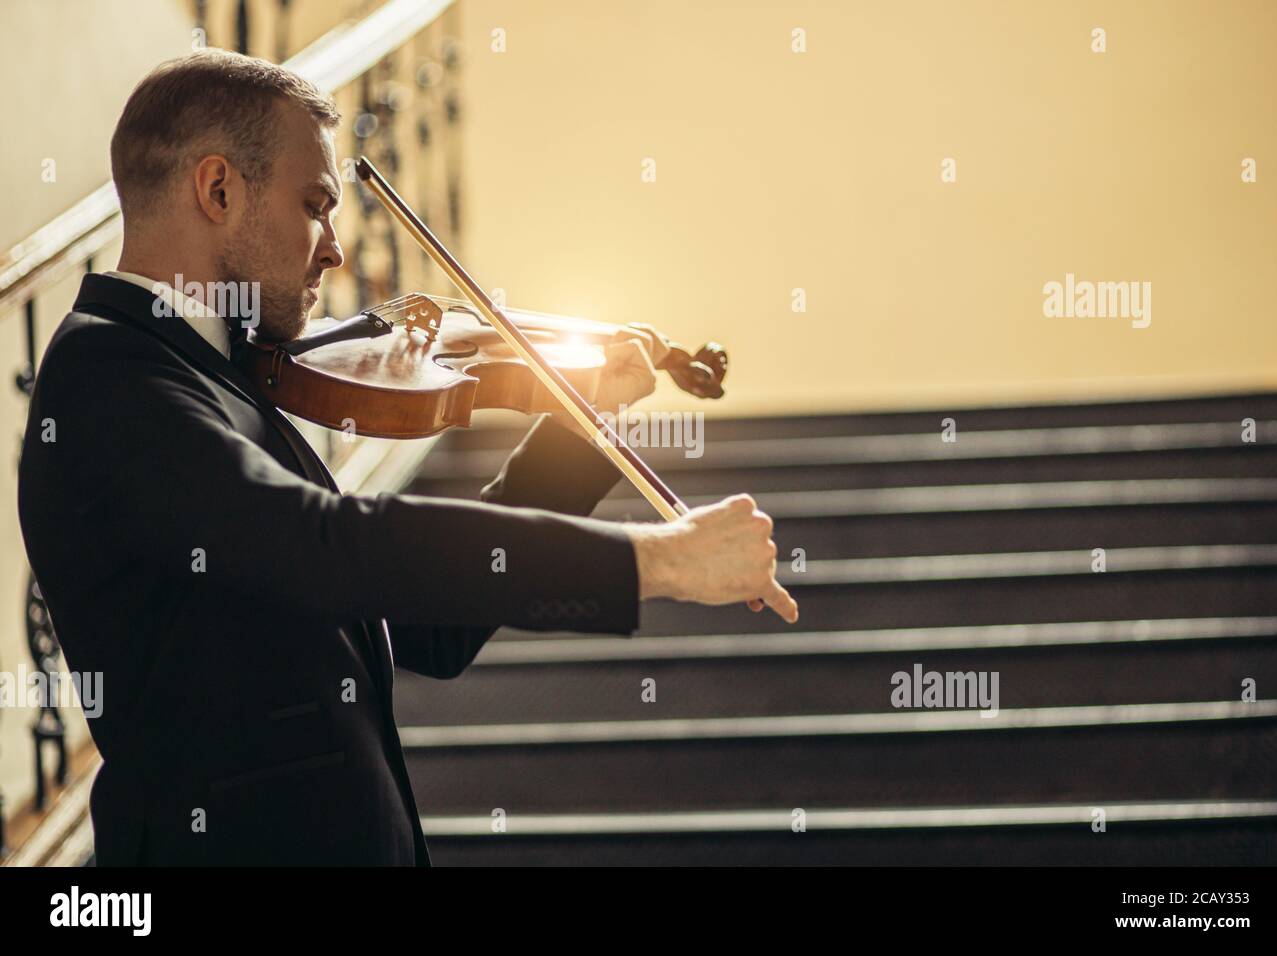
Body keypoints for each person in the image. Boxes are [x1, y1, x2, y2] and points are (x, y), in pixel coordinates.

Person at [16, 49, 796, 865]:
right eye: (315, 205)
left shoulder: (219, 378)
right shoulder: (111, 373)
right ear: (217, 190)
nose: (335, 252)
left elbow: (427, 630)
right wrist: (653, 560)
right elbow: (334, 543)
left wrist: (578, 426)